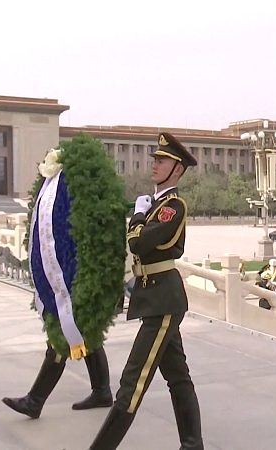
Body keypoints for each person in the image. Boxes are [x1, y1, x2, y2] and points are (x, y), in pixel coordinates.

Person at [88, 133, 202, 449]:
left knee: (132, 382)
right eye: (154, 159)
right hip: (154, 296)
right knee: (177, 376)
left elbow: (138, 242)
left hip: (162, 300)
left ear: (177, 170)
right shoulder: (156, 204)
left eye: (162, 160)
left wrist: (137, 215)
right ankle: (193, 445)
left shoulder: (173, 207)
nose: (155, 164)